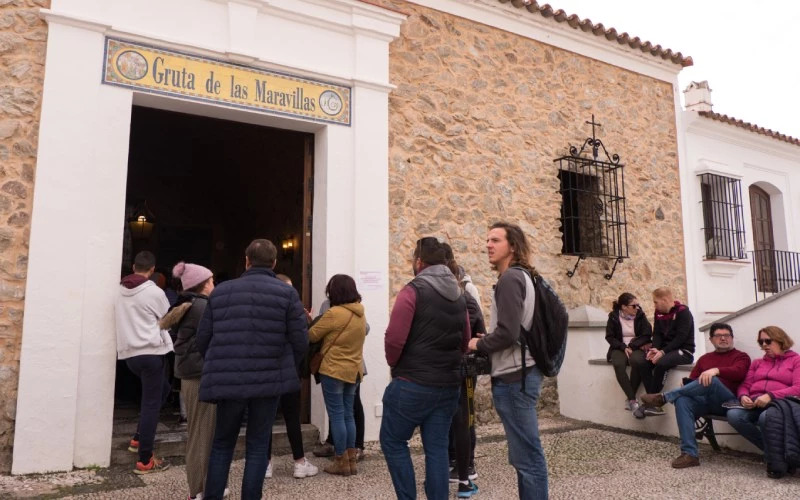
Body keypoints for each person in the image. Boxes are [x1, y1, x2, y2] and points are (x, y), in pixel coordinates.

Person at [196, 239, 308, 500]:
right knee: (258, 446)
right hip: (268, 381)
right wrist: (285, 366)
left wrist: (221, 362)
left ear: (247, 261)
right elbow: (300, 340)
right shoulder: (287, 293)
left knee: (222, 444)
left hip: (230, 380)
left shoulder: (221, 292)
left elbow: (203, 339)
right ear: (274, 263)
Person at [381, 236, 470, 500]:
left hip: (412, 383)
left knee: (393, 442)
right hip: (447, 386)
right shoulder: (459, 295)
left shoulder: (413, 290)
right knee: (437, 449)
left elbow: (394, 339)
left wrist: (395, 364)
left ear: (419, 262)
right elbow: (465, 341)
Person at [468, 222, 548, 500]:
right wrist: (490, 337)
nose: (488, 245)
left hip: (516, 378)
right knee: (524, 456)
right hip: (521, 374)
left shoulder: (511, 279)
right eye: (487, 239)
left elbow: (509, 333)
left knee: (527, 457)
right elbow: (515, 330)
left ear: (512, 246)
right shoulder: (522, 277)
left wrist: (478, 343)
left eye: (496, 240)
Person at [639, 323, 750, 468]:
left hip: (728, 402)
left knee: (712, 380)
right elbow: (694, 379)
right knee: (682, 400)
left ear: (732, 338)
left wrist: (715, 371)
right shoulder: (704, 359)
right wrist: (687, 385)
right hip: (705, 403)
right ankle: (690, 454)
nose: (723, 338)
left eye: (727, 335)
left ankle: (664, 397)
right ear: (711, 340)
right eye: (718, 336)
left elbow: (739, 372)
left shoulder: (741, 357)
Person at [159, 262, 219, 498]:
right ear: (203, 285)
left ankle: (201, 486)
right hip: (200, 374)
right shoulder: (203, 307)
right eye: (212, 281)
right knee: (202, 433)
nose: (214, 284)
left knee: (198, 430)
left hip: (191, 374)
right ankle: (199, 489)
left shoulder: (191, 304)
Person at [114, 250, 173, 474]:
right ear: (152, 270)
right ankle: (145, 460)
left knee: (163, 390)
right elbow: (167, 319)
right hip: (150, 353)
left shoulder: (119, 290)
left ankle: (139, 437)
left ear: (133, 268)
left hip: (130, 355)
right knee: (151, 404)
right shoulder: (154, 292)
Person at [308, 274, 367, 476]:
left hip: (333, 370)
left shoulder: (334, 313)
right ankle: (351, 460)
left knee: (337, 416)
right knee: (348, 414)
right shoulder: (360, 313)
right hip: (354, 370)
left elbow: (312, 335)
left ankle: (340, 460)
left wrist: (311, 320)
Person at [264, 273, 318, 480]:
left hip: (267, 372)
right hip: (288, 372)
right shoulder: (295, 312)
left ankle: (266, 464)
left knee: (265, 419)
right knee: (292, 419)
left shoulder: (264, 311)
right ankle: (299, 462)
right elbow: (301, 342)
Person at [727, 326, 800, 468]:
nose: (764, 345)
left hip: (779, 404)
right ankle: (773, 453)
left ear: (780, 340)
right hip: (755, 403)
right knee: (734, 415)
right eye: (761, 342)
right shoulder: (757, 363)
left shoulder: (796, 361)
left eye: (768, 341)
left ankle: (772, 459)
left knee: (765, 418)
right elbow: (745, 385)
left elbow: (798, 388)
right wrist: (743, 396)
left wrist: (771, 396)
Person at [444, 244, 483, 498]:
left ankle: (466, 465)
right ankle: (454, 460)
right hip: (451, 365)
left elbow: (477, 330)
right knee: (453, 416)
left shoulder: (466, 296)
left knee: (464, 417)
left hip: (465, 365)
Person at [631, 287, 695, 418]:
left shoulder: (683, 312)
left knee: (661, 363)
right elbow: (657, 334)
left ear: (665, 300)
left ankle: (652, 404)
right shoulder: (658, 313)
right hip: (665, 350)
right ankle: (653, 402)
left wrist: (663, 352)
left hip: (683, 351)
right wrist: (654, 349)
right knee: (643, 362)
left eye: (655, 302)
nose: (654, 305)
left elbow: (681, 338)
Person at [605, 292, 652, 413]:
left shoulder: (640, 315)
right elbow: (609, 337)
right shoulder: (614, 316)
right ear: (623, 307)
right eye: (633, 306)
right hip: (619, 347)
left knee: (636, 361)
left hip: (637, 346)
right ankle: (632, 399)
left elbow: (647, 334)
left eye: (638, 305)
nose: (637, 308)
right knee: (618, 364)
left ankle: (630, 399)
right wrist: (623, 346)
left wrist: (632, 345)